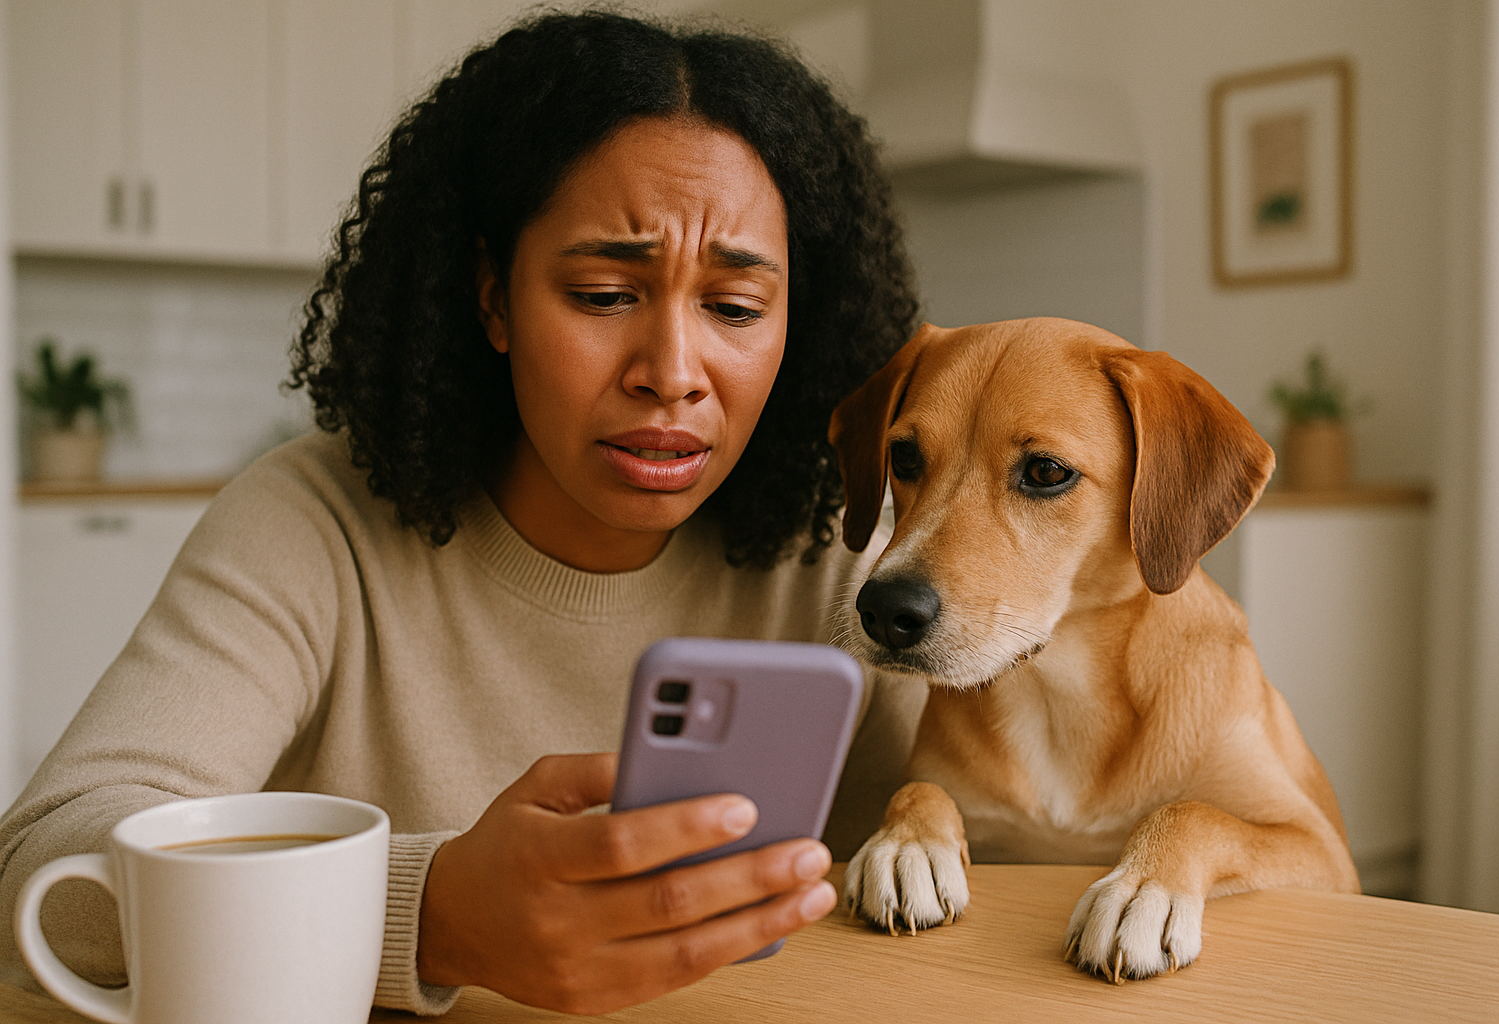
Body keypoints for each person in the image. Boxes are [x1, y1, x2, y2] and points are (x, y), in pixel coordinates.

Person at [0, 9, 924, 1017]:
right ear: (492, 297)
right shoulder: (315, 524)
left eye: (736, 309)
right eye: (605, 292)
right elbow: (45, 864)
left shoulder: (846, 557)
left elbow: (1008, 843)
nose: (672, 374)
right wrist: (427, 911)